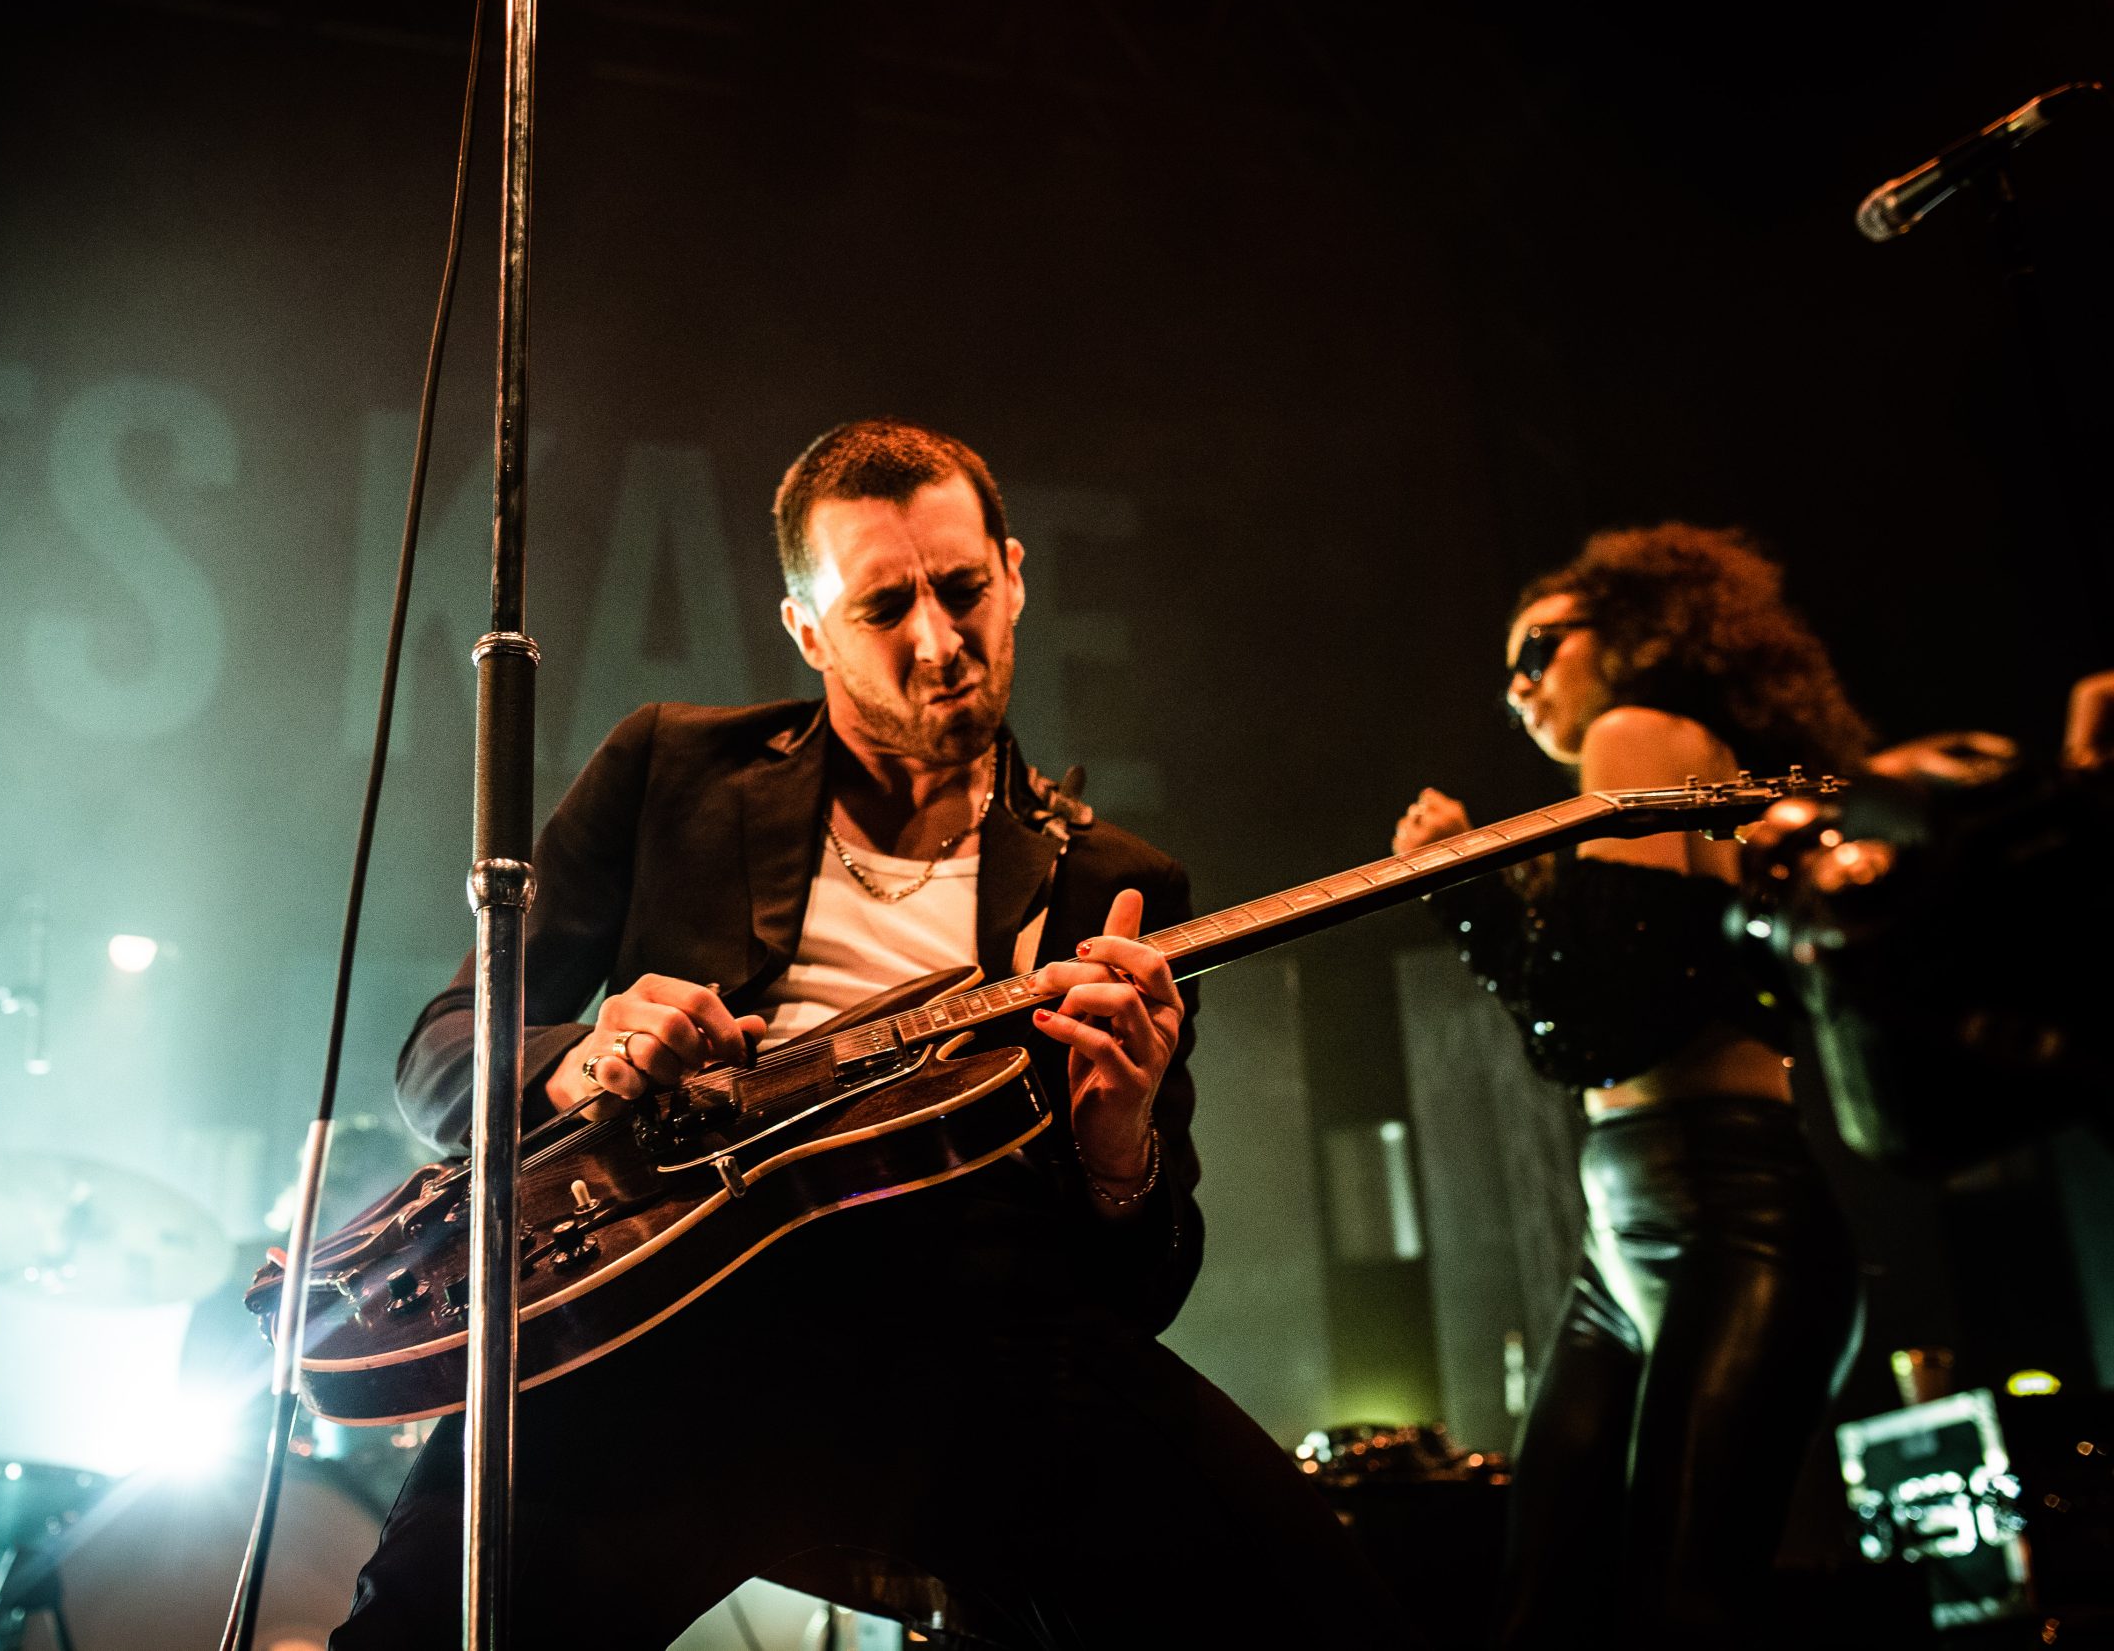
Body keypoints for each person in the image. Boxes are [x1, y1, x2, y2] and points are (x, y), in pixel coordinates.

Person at [331, 419, 1413, 1648]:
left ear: (1014, 577)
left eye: (962, 590)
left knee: (1317, 1616)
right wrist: (583, 1060)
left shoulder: (1115, 882)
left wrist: (1119, 1152)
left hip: (976, 1341)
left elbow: (1141, 1292)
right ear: (807, 629)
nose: (938, 641)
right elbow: (441, 1055)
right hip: (668, 1323)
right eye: (885, 607)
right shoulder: (670, 767)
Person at [1391, 525, 1871, 1647]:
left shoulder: (1636, 732)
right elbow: (1597, 1014)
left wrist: (1465, 890)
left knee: (1660, 1609)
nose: (1518, 688)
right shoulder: (1668, 764)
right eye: (1506, 672)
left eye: (1538, 650)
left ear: (1634, 634)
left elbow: (1590, 1030)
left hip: (1727, 1214)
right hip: (1631, 1232)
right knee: (1559, 1605)